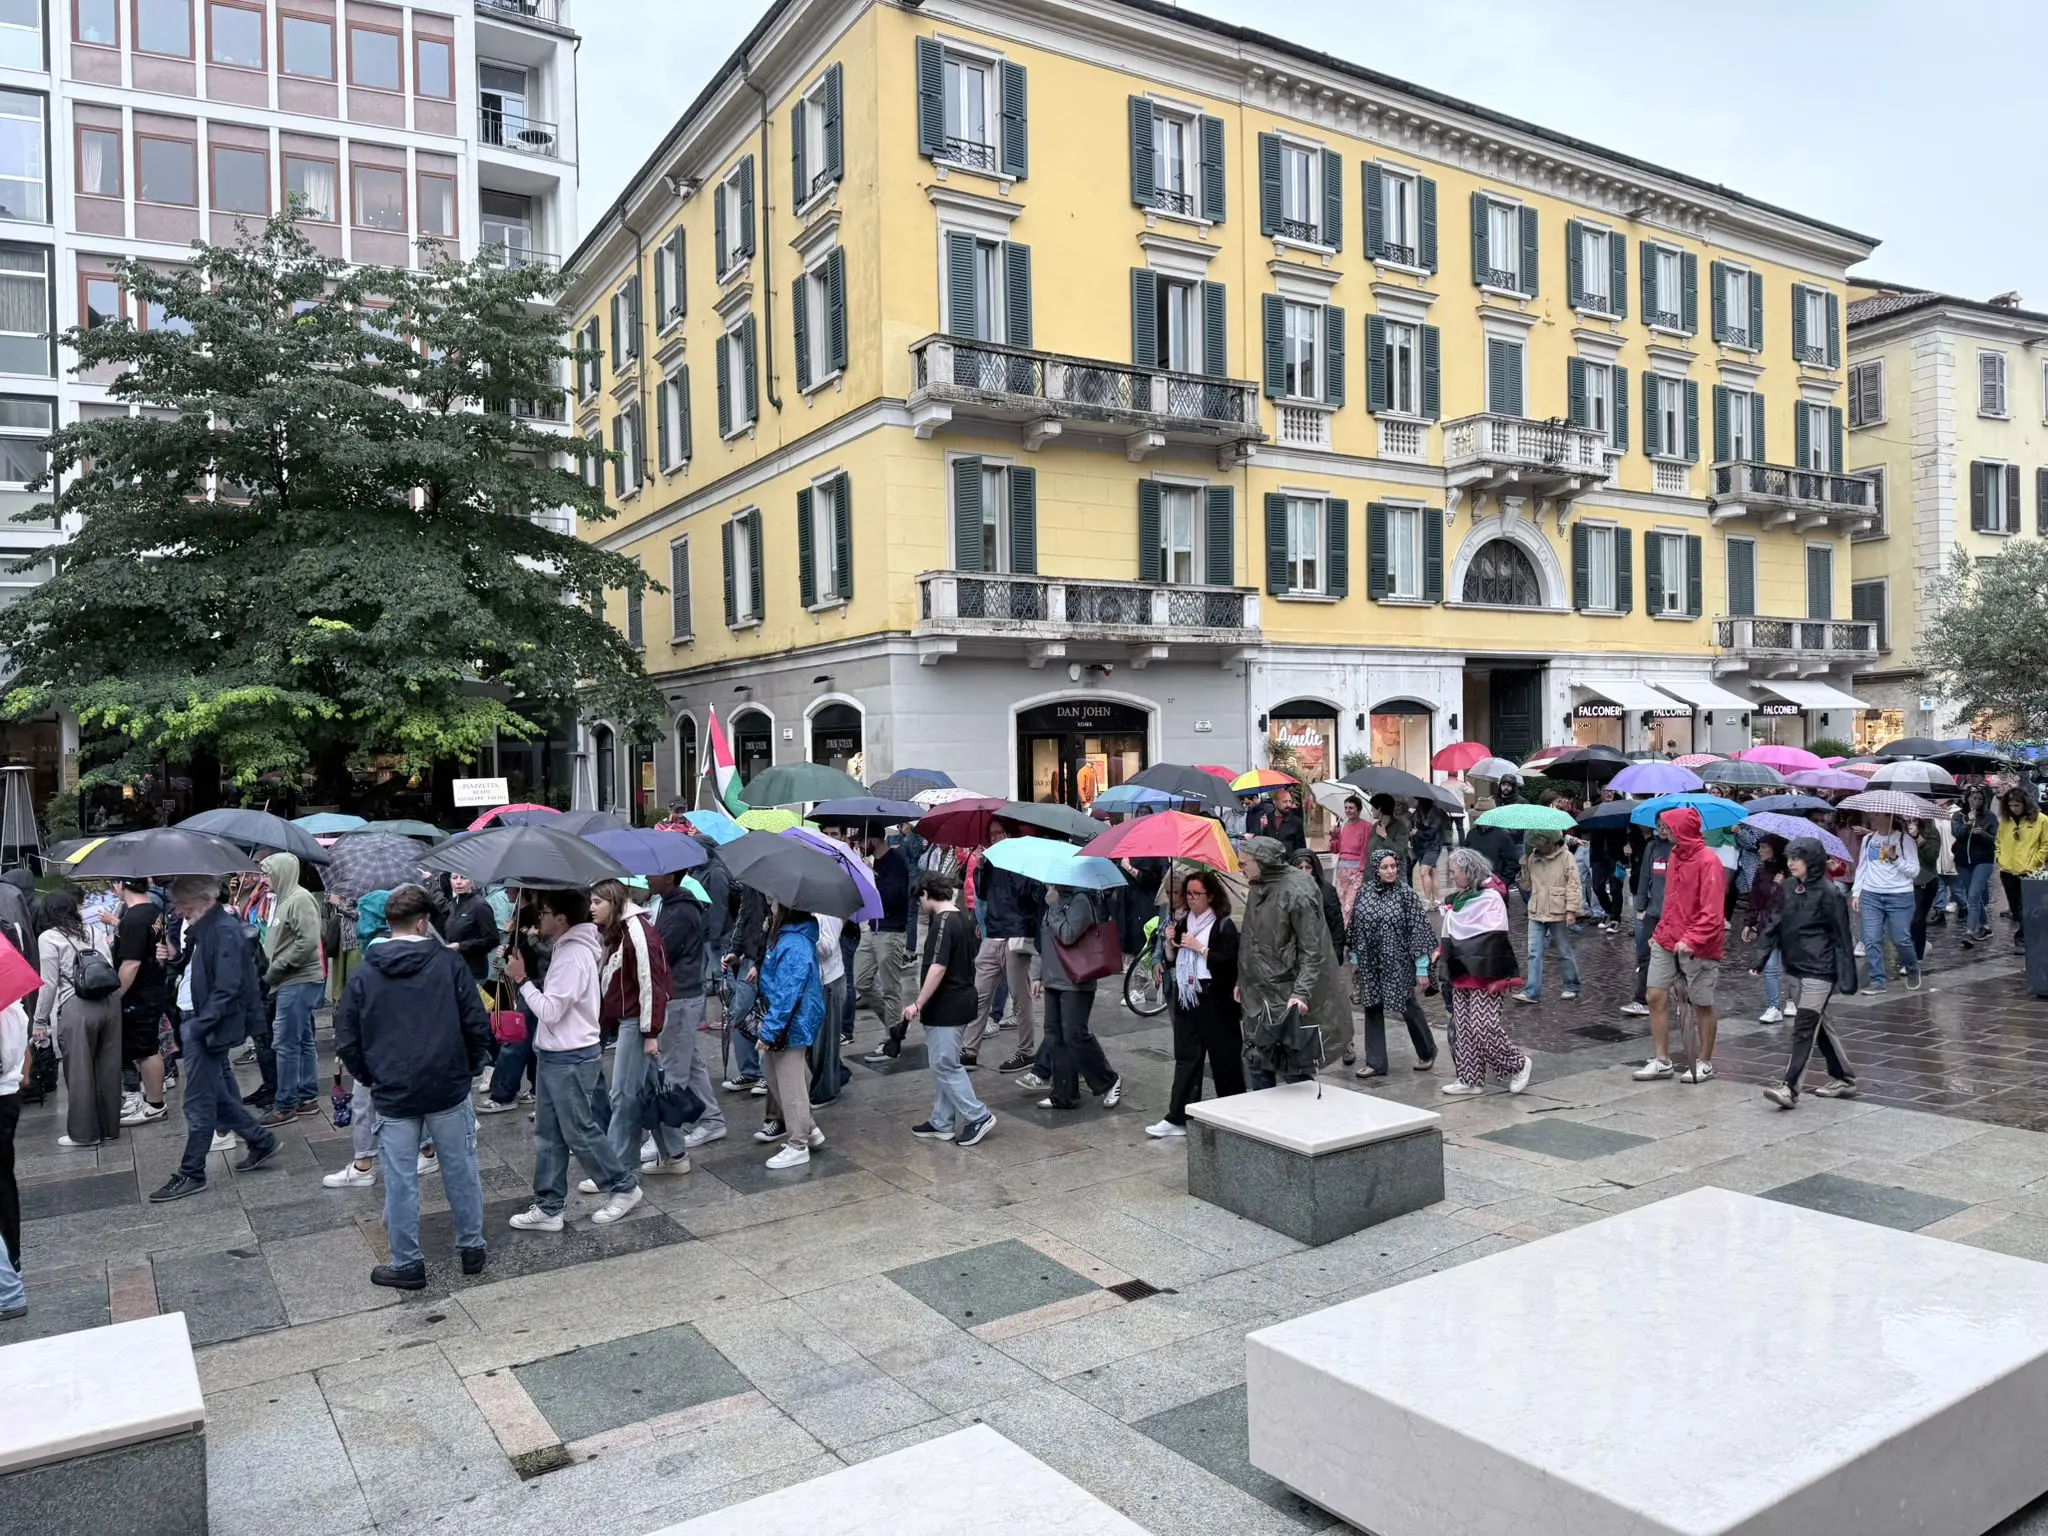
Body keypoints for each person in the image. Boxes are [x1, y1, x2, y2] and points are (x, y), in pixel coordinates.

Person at [331, 884, 492, 1289]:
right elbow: (475, 1022)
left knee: (400, 1179)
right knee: (460, 1168)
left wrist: (370, 1076)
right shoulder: (448, 965)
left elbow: (347, 1035)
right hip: (447, 1085)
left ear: (389, 924)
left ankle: (406, 1263)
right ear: (424, 922)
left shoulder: (366, 972)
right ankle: (471, 1247)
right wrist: (471, 1067)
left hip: (394, 1090)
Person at [503, 888, 641, 1230]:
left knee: (579, 1131)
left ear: (561, 918)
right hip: (557, 1054)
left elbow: (551, 1011)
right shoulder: (568, 948)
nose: (540, 918)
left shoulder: (573, 954)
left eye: (545, 913)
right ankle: (549, 1206)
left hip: (570, 1057)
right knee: (549, 1134)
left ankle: (624, 1188)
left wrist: (521, 980)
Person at [148, 876, 278, 1202]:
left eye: (182, 903)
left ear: (201, 900)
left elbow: (228, 986)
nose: (177, 910)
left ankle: (192, 1171)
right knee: (217, 1095)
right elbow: (196, 969)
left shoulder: (222, 930)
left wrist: (200, 1026)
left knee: (198, 1101)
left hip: (207, 1026)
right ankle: (260, 1140)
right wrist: (173, 957)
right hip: (201, 1022)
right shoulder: (208, 927)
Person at [1755, 837, 1858, 1109]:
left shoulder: (1830, 892)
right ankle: (1844, 1078)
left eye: (1796, 858)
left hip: (1820, 969)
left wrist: (1846, 976)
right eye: (1789, 858)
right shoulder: (1788, 887)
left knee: (1804, 1026)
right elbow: (1775, 922)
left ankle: (1790, 1088)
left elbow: (1842, 936)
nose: (1790, 863)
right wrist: (1761, 957)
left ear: (1811, 861)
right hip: (1796, 966)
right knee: (1818, 1024)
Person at [583, 880, 674, 1186]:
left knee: (623, 1094)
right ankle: (675, 1154)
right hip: (631, 1020)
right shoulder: (619, 932)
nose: (592, 907)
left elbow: (652, 985)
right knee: (647, 1090)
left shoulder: (637, 932)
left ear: (614, 900)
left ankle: (616, 1169)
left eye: (598, 902)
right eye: (591, 902)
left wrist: (650, 1032)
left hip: (637, 1022)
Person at [1236, 837, 1347, 1087]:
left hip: (1284, 993)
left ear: (1262, 861)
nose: (1239, 868)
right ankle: (1263, 1121)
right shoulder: (1257, 884)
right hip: (1256, 991)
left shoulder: (1298, 890)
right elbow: (1250, 938)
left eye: (1243, 863)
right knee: (1257, 1063)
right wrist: (1240, 980)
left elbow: (1313, 949)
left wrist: (1301, 993)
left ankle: (1303, 1122)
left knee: (1291, 1068)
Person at [1147, 869, 1245, 1136]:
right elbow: (1171, 960)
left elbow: (1228, 962)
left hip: (1215, 997)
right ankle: (1177, 1116)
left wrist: (1200, 948)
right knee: (1186, 1058)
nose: (1190, 899)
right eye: (1188, 894)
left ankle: (1234, 1112)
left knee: (1224, 1059)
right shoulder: (1183, 922)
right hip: (1187, 995)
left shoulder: (1222, 924)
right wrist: (1170, 942)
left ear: (1210, 896)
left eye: (1196, 894)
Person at [1633, 807, 1726, 1085]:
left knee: (1701, 1003)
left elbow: (1713, 913)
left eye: (1668, 826)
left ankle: (1705, 1062)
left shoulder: (1709, 861)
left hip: (1699, 945)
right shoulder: (1674, 855)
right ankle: (1662, 1060)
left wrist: (1691, 939)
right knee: (1654, 995)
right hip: (1668, 938)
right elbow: (1671, 902)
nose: (1663, 830)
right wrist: (1661, 931)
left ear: (1681, 830)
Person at [902, 871, 994, 1146]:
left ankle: (978, 1116)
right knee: (942, 1063)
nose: (919, 904)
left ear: (925, 894)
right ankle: (942, 1121)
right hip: (959, 1000)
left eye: (919, 898)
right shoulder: (962, 918)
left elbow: (938, 967)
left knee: (945, 1064)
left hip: (947, 1005)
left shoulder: (943, 923)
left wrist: (919, 1002)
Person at [1437, 848, 1531, 1096]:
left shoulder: (1490, 898)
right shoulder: (1461, 897)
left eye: (1455, 872)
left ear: (1468, 872)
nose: (1452, 877)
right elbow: (1454, 929)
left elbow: (1492, 935)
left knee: (1482, 1026)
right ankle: (1470, 1079)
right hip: (1461, 967)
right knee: (1464, 1026)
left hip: (1485, 970)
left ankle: (1518, 1063)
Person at [33, 888, 121, 1150]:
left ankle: (84, 1134)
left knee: (79, 1070)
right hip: (110, 1003)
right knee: (108, 1067)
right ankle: (109, 1128)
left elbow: (48, 983)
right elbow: (109, 965)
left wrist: (40, 1021)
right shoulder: (93, 931)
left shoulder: (49, 937)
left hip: (78, 1006)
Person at [647, 872, 724, 1156]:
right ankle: (712, 1120)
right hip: (679, 994)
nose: (646, 877)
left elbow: (662, 953)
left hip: (681, 996)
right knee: (689, 1063)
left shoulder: (680, 910)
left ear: (669, 877)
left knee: (673, 1071)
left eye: (652, 874)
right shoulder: (668, 904)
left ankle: (666, 1139)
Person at [1345, 849, 1438, 1080]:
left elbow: (1418, 931)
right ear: (1375, 870)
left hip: (1398, 962)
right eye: (1385, 867)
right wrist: (1355, 959)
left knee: (1407, 1005)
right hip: (1370, 962)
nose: (1390, 871)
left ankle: (1427, 1050)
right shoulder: (1364, 893)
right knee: (1372, 1006)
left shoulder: (1405, 894)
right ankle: (1376, 1062)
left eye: (1393, 866)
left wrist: (1422, 968)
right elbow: (1356, 928)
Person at [1031, 882, 1121, 1112]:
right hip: (1053, 977)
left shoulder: (1080, 900)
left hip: (1076, 980)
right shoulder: (1054, 899)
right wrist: (1037, 975)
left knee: (1074, 1035)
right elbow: (1045, 940)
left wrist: (1055, 907)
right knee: (1055, 1036)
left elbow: (1068, 935)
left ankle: (1108, 1080)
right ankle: (1063, 1093)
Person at [963, 822, 1042, 1074]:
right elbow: (983, 894)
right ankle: (969, 1049)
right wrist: (982, 867)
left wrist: (1011, 864)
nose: (995, 837)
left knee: (1021, 998)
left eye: (1000, 833)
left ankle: (1025, 1051)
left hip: (1016, 935)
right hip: (993, 934)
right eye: (993, 833)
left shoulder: (1023, 861)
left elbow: (1028, 894)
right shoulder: (990, 862)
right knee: (980, 994)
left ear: (1010, 834)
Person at [754, 904, 826, 1169]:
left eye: (773, 901)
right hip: (786, 1022)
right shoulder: (786, 936)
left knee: (789, 1083)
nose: (769, 904)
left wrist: (770, 1030)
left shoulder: (794, 942)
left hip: (790, 1024)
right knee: (775, 1076)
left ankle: (798, 1144)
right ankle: (809, 1129)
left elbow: (788, 993)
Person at [257, 853, 326, 1124]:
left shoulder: (299, 899)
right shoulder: (283, 899)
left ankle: (285, 1105)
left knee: (285, 1043)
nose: (263, 880)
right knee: (304, 1040)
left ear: (282, 873)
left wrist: (275, 969)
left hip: (296, 981)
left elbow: (307, 942)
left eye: (267, 873)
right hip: (289, 980)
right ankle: (307, 1097)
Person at [112, 880, 169, 1127]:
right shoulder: (154, 910)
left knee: (146, 1049)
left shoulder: (134, 919)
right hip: (153, 987)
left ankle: (155, 1105)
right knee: (146, 1047)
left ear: (121, 885)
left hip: (139, 993)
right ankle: (150, 1100)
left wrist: (114, 996)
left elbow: (130, 964)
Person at [855, 829, 913, 1056]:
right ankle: (895, 1025)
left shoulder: (896, 862)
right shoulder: (874, 862)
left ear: (875, 840)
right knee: (861, 982)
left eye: (862, 840)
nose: (859, 844)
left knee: (891, 989)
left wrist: (872, 879)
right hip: (872, 929)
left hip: (890, 932)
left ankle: (892, 1040)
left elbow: (895, 898)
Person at [1851, 812, 1921, 992]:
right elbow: (1862, 867)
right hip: (1871, 895)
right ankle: (1878, 981)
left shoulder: (1905, 840)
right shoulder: (1868, 840)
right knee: (1871, 939)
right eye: (1872, 814)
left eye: (1876, 815)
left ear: (1889, 817)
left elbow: (1914, 871)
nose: (1872, 818)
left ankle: (1912, 967)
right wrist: (1857, 893)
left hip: (1899, 895)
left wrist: (1894, 857)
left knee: (1900, 938)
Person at [1515, 831, 1582, 1004]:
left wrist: (1571, 910)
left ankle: (1572, 986)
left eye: (1540, 844)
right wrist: (1523, 868)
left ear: (1550, 842)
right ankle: (1532, 992)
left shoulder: (1566, 857)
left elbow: (1574, 884)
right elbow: (1526, 885)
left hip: (1557, 910)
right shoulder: (1532, 858)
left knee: (1564, 951)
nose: (1537, 847)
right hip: (1537, 910)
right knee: (1533, 953)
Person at [1740, 835, 1788, 1023]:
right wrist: (1749, 923)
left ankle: (1791, 1001)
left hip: (1789, 925)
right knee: (1770, 966)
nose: (1759, 851)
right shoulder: (1761, 873)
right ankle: (1773, 1006)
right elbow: (1756, 901)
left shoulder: (1792, 873)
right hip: (1768, 925)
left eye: (1763, 847)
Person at [1996, 785, 2048, 950]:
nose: (2014, 809)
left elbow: (2046, 843)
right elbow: (1998, 840)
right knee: (2015, 908)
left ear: (2025, 803)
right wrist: (1999, 857)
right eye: (2010, 805)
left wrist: (2036, 861)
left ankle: (2023, 939)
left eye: (2017, 805)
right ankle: (2026, 934)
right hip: (2007, 870)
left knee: (2026, 906)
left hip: (2030, 870)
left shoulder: (2041, 820)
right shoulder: (2005, 820)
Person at [1953, 784, 2001, 947]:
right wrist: (1967, 824)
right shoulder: (1958, 816)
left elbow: (1996, 839)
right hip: (1962, 861)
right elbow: (1957, 833)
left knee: (1973, 896)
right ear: (1967, 799)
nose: (1977, 801)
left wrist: (1982, 833)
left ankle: (1969, 931)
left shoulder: (1990, 817)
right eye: (1973, 798)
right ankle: (1986, 926)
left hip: (1983, 861)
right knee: (1973, 895)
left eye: (1980, 798)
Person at [0, 996, 23, 1321]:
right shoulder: (12, 1002)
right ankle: (12, 1258)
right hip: (9, 1094)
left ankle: (8, 1289)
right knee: (4, 1184)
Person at [441, 873, 499, 985]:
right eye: (454, 878)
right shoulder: (455, 903)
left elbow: (492, 939)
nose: (458, 882)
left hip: (473, 971)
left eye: (463, 877)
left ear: (472, 880)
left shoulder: (480, 905)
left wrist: (461, 946)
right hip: (454, 968)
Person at [1330, 798, 1372, 922]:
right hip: (1342, 869)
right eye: (1346, 807)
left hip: (1357, 870)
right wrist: (1334, 835)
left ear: (1358, 810)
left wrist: (1362, 870)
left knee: (1351, 903)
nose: (1348, 811)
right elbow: (1335, 849)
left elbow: (1366, 849)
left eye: (1351, 808)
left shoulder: (1366, 826)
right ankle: (1344, 931)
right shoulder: (1343, 825)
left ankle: (1348, 931)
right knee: (1341, 902)